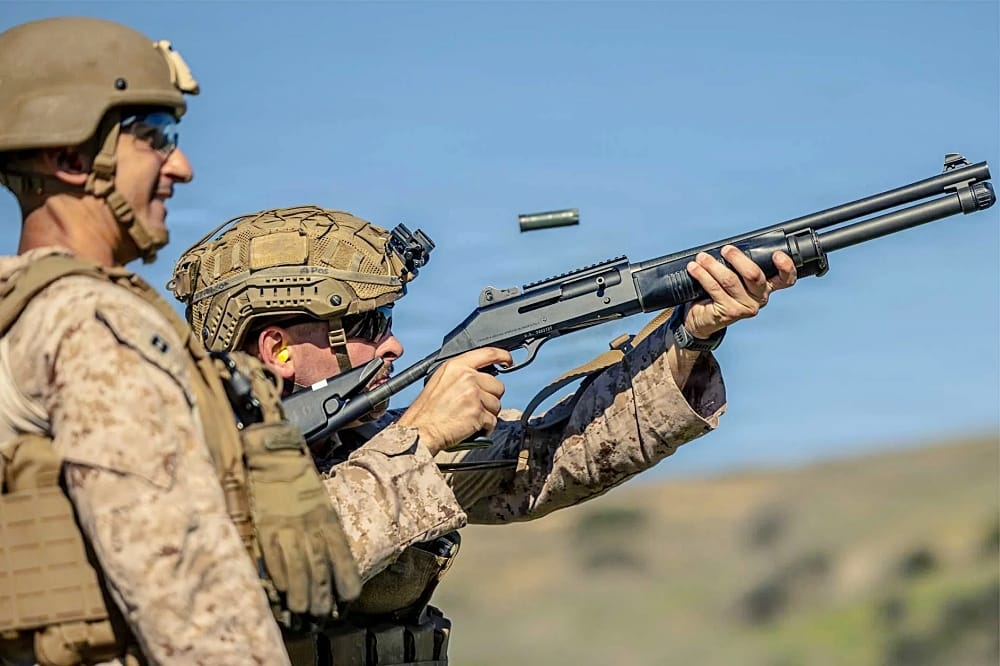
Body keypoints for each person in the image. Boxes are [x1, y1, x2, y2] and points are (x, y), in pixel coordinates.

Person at [171, 204, 798, 665]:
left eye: (389, 317)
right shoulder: (176, 467)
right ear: (277, 349)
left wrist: (689, 334)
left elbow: (550, 465)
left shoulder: (365, 444)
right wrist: (418, 435)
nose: (392, 343)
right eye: (365, 323)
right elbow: (274, 570)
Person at [0, 18, 359, 666]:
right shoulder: (94, 329)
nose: (182, 168)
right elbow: (195, 606)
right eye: (155, 139)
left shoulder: (23, 312)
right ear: (72, 159)